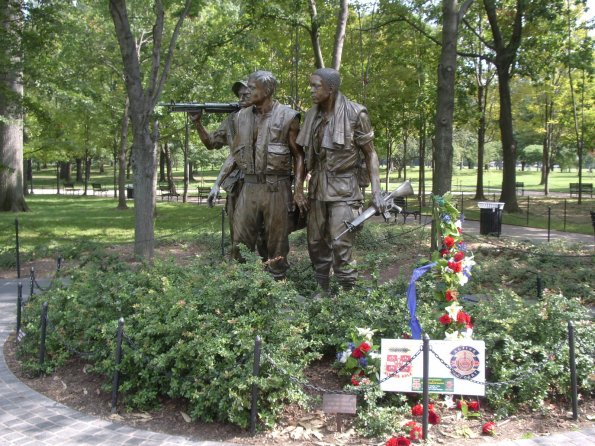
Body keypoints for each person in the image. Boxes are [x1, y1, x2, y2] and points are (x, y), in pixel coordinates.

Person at [296, 68, 386, 292]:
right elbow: (306, 157)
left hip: (345, 189)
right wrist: (298, 188)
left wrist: (376, 190)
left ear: (331, 88)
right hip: (317, 188)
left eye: (316, 86)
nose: (312, 91)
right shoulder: (312, 116)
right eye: (311, 86)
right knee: (315, 242)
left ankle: (347, 294)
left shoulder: (356, 113)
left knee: (340, 243)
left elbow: (370, 153)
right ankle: (322, 290)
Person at [230, 70, 307, 279]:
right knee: (239, 239)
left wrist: (298, 189)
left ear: (268, 90)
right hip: (250, 186)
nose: (248, 90)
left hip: (276, 188)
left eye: (253, 87)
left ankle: (277, 283)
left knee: (277, 241)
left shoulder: (288, 117)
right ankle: (242, 283)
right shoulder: (240, 117)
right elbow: (235, 154)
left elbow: (300, 156)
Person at [189, 80, 251, 248]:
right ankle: (238, 265)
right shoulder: (231, 120)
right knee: (236, 229)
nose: (242, 97)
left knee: (258, 229)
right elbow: (211, 143)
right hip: (236, 183)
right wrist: (197, 122)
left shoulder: (266, 119)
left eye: (247, 93)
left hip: (258, 182)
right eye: (240, 94)